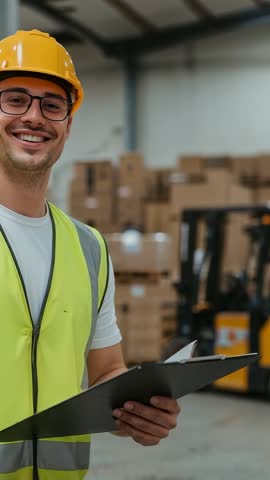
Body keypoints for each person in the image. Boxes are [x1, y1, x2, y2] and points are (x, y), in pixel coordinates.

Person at [0, 29, 181, 479]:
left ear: (68, 124)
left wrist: (138, 411)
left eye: (52, 105)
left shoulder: (90, 248)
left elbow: (106, 372)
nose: (34, 116)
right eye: (15, 99)